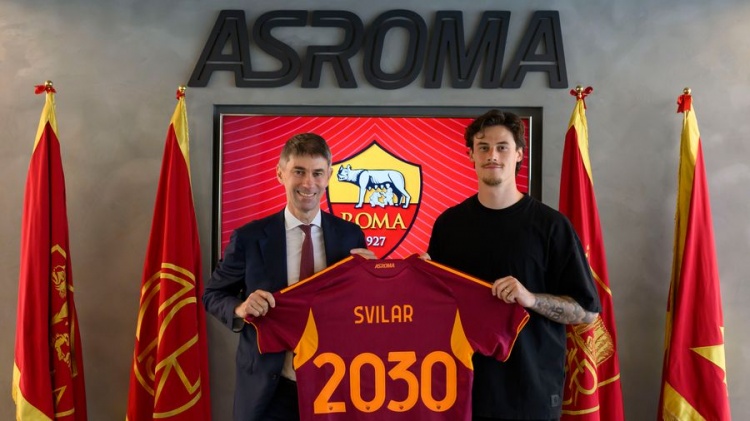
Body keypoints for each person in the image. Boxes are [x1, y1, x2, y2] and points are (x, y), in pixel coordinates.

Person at [426, 109, 601, 421]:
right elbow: (435, 306)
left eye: (502, 147)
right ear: (471, 155)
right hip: (462, 393)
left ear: (519, 154)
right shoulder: (448, 225)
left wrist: (530, 299)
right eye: (483, 147)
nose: (492, 155)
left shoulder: (551, 226)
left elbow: (586, 311)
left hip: (530, 395)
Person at [203, 133, 375, 421]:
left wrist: (373, 281)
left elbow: (360, 309)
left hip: (334, 386)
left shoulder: (350, 235)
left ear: (329, 176)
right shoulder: (249, 238)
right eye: (299, 171)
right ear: (280, 173)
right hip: (269, 392)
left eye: (317, 173)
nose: (308, 183)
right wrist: (240, 308)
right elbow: (213, 294)